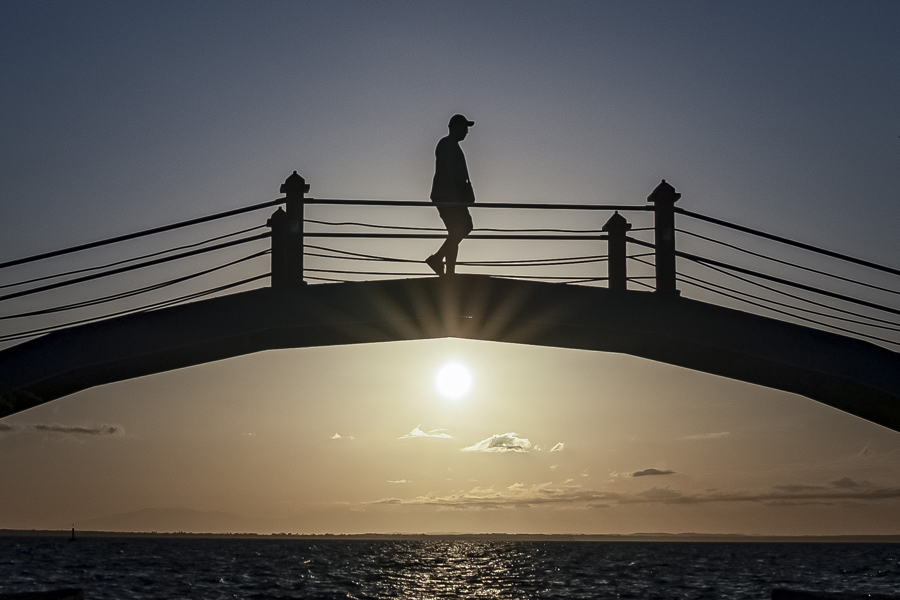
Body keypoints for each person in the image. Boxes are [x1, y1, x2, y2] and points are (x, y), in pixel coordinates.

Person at [425, 114, 476, 276]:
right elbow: (450, 171)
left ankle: (449, 271)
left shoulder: (451, 145)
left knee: (456, 231)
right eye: (464, 127)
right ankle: (439, 261)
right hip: (449, 196)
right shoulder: (447, 144)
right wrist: (461, 191)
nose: (467, 131)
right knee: (464, 227)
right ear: (454, 127)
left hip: (451, 196)